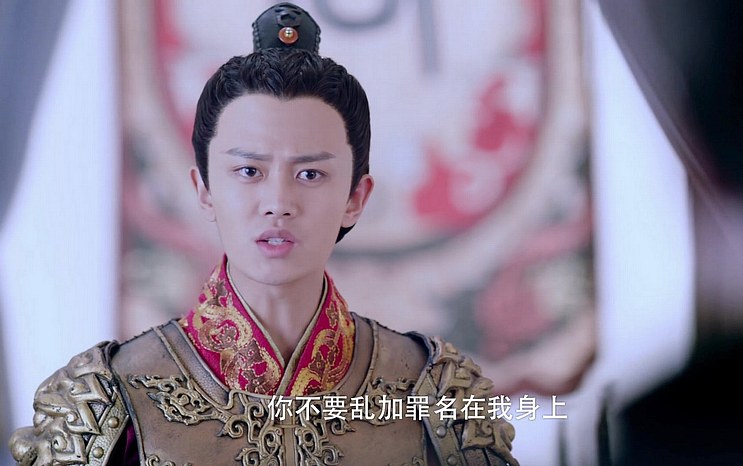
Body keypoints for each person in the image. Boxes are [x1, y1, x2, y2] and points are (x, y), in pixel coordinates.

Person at [8, 3, 517, 465]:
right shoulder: (108, 400)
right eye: (249, 171)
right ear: (204, 189)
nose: (278, 202)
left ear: (356, 198)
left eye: (310, 173)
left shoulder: (436, 393)